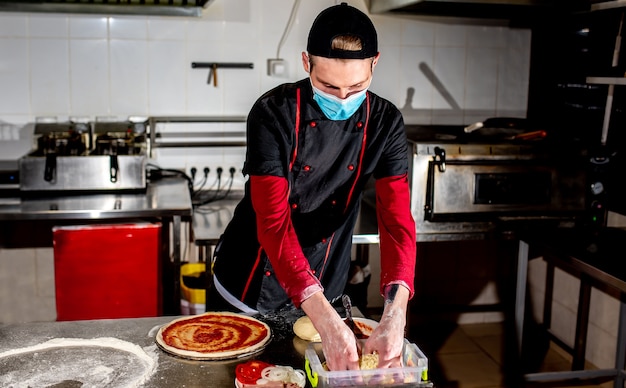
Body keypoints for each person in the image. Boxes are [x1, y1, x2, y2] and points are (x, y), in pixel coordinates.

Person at [208, 2, 416, 371]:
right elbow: (273, 222)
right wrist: (324, 319)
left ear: (375, 63)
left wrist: (395, 312)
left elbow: (397, 222)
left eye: (356, 86)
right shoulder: (273, 113)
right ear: (306, 63)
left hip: (327, 278)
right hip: (250, 282)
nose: (342, 98)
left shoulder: (386, 123)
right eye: (328, 85)